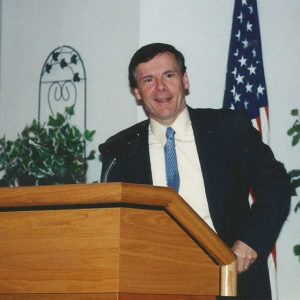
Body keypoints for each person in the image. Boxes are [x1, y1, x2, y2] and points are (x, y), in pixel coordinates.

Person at [99, 43, 291, 299]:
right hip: (153, 285)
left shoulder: (228, 128)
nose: (160, 88)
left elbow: (276, 186)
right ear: (137, 92)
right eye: (148, 80)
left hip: (229, 280)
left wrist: (250, 242)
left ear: (185, 80)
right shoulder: (119, 151)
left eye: (169, 75)